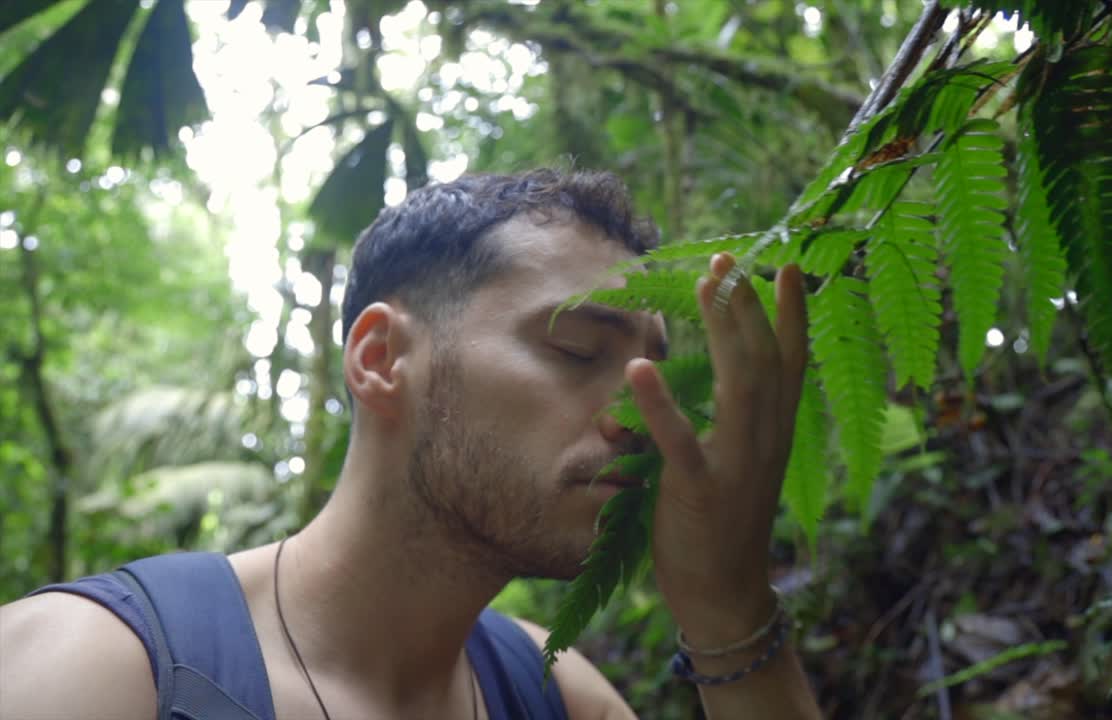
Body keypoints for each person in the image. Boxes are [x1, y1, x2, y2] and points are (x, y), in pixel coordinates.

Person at [0, 169, 821, 719]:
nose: (643, 413)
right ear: (381, 359)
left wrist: (729, 609)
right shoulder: (97, 669)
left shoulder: (554, 693)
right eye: (577, 351)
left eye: (655, 370)